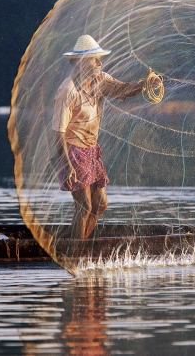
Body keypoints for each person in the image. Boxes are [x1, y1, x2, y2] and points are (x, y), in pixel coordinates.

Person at [52, 35, 160, 239]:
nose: (100, 62)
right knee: (84, 206)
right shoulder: (68, 90)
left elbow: (123, 89)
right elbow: (58, 132)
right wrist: (68, 166)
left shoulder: (100, 80)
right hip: (73, 151)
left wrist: (146, 84)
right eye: (95, 58)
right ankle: (76, 252)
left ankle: (79, 243)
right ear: (82, 62)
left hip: (91, 150)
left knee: (100, 204)